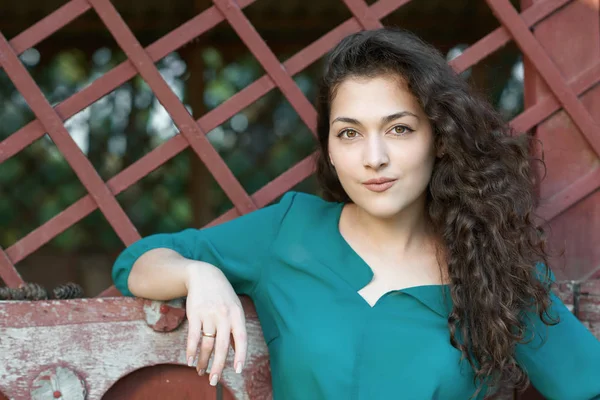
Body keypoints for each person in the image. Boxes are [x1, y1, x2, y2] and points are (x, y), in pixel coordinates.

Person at [112, 28, 600, 399]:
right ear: (329, 148)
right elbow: (136, 262)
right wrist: (198, 273)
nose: (373, 158)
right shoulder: (289, 233)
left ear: (440, 137)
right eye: (349, 133)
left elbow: (585, 382)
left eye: (399, 129)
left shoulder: (491, 264)